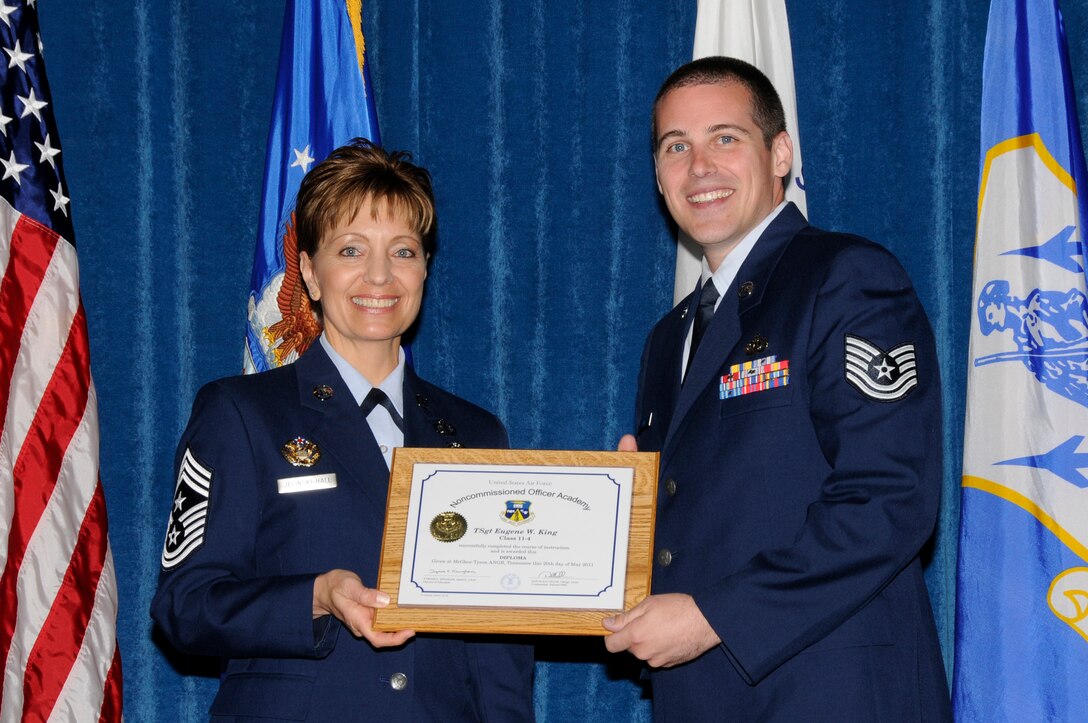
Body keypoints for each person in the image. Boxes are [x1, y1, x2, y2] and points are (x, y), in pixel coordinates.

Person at [602, 57, 952, 721]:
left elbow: (889, 499)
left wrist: (714, 616)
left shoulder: (845, 279)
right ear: (657, 174)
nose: (699, 167)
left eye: (725, 138)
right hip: (703, 698)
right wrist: (625, 518)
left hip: (830, 694)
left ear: (780, 154)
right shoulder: (668, 338)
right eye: (676, 146)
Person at [151, 139, 533, 721]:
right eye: (351, 249)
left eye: (403, 251)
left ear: (426, 266)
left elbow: (496, 649)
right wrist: (315, 597)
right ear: (308, 270)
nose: (379, 275)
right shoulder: (240, 412)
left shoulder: (478, 432)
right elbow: (185, 606)